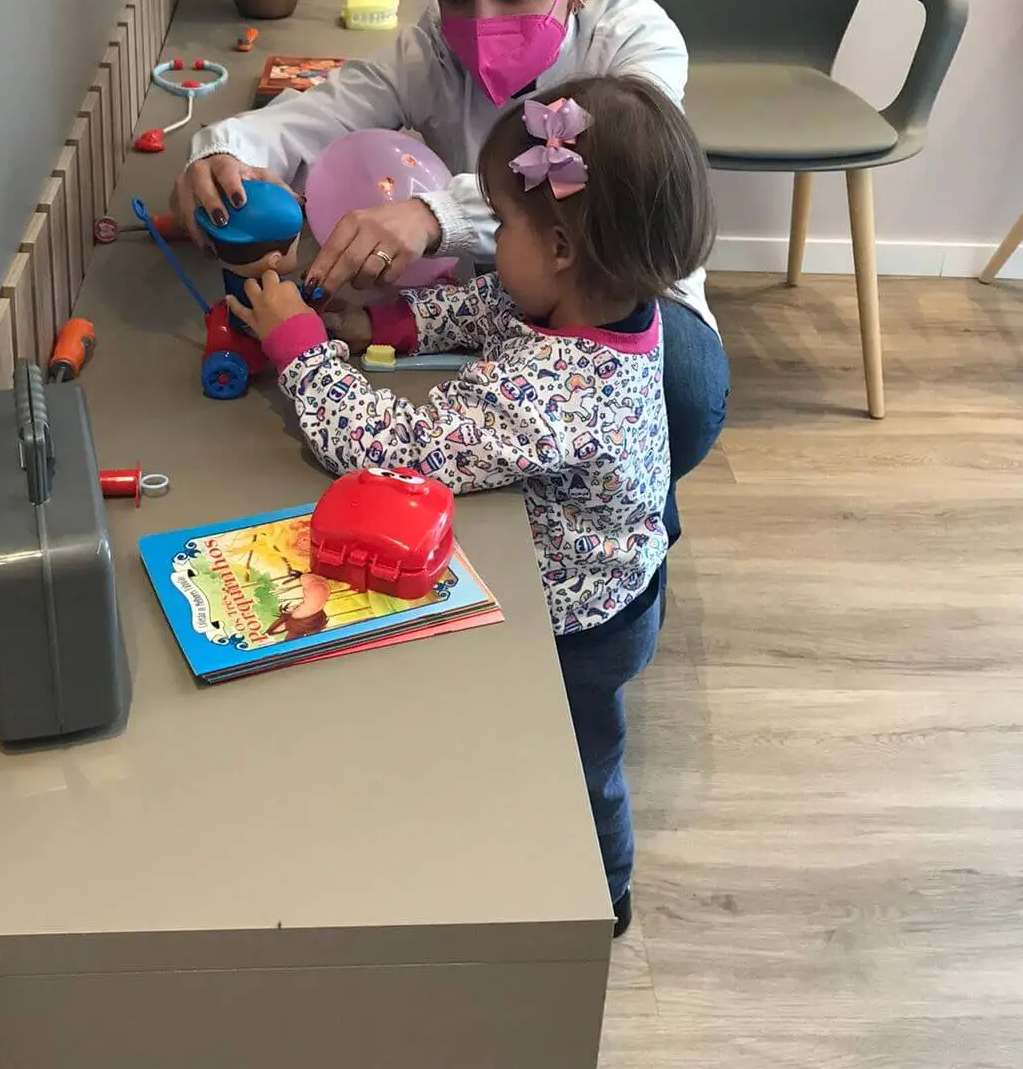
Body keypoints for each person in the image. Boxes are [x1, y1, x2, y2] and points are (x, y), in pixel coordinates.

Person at [224, 75, 717, 933]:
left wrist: (298, 344)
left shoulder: (558, 390)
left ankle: (606, 892)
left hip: (583, 623)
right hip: (598, 571)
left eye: (500, 221)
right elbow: (490, 304)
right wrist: (385, 327)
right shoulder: (587, 304)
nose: (486, 241)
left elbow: (387, 452)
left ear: (559, 248)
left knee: (582, 756)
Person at [172, 0, 729, 550]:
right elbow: (315, 116)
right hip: (515, 286)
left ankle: (625, 537)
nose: (481, 18)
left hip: (617, 291)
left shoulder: (634, 39)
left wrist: (435, 216)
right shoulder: (433, 50)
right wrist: (222, 155)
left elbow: (610, 178)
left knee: (670, 381)